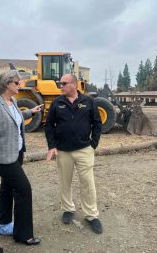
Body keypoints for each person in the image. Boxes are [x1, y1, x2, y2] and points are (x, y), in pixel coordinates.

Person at [0, 70, 41, 246]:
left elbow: (16, 119)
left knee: (6, 188)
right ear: (6, 84)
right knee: (24, 189)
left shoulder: (12, 101)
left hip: (17, 153)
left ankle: (2, 224)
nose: (20, 85)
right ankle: (23, 234)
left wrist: (30, 112)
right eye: (17, 83)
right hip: (4, 158)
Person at [45, 74, 103, 234]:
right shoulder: (57, 102)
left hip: (84, 150)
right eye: (60, 83)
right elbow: (49, 125)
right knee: (65, 182)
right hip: (63, 151)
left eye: (64, 83)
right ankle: (68, 209)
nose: (60, 86)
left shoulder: (88, 102)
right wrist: (52, 146)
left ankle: (91, 215)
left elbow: (97, 123)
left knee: (87, 183)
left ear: (74, 85)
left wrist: (93, 144)